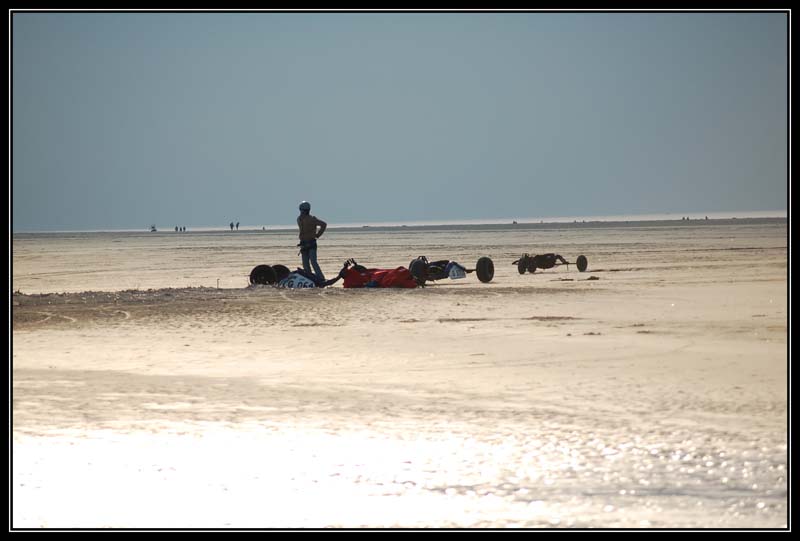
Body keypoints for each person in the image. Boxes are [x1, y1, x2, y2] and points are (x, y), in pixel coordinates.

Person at [297, 201, 327, 281]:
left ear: (306, 210)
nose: (301, 212)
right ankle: (309, 278)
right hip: (303, 244)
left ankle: (321, 278)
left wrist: (318, 235)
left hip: (311, 243)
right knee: (305, 264)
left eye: (302, 210)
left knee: (313, 262)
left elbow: (324, 224)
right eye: (300, 210)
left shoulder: (312, 219)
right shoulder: (298, 219)